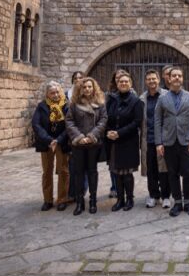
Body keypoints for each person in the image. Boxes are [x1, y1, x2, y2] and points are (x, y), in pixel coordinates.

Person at [154, 67, 189, 217]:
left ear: (182, 78)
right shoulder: (162, 98)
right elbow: (157, 121)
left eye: (179, 76)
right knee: (172, 173)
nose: (177, 78)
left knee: (187, 172)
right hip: (169, 141)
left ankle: (188, 202)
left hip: (186, 141)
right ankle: (178, 202)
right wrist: (159, 142)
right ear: (169, 78)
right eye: (174, 76)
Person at [66, 77, 108, 215]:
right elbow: (69, 121)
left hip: (93, 143)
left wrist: (91, 135)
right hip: (78, 144)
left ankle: (93, 201)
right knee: (78, 173)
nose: (87, 89)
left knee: (92, 172)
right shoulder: (74, 104)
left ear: (93, 88)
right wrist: (79, 137)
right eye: (84, 87)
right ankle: (80, 202)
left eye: (90, 86)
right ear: (80, 89)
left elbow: (103, 120)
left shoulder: (100, 103)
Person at [106, 72, 144, 211]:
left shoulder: (136, 101)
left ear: (130, 84)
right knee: (116, 172)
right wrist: (108, 131)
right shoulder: (112, 99)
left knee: (127, 173)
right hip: (114, 142)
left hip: (128, 141)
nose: (123, 83)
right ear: (117, 84)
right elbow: (106, 117)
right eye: (121, 81)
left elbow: (137, 122)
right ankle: (120, 199)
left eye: (126, 81)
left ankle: (130, 199)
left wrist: (119, 133)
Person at [32, 81, 70, 211]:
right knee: (47, 171)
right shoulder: (42, 106)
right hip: (47, 143)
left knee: (63, 171)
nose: (55, 95)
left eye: (57, 92)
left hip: (62, 142)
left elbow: (69, 125)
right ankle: (48, 200)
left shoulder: (67, 106)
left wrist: (58, 140)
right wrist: (49, 140)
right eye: (52, 93)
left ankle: (62, 199)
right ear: (47, 94)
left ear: (61, 92)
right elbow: (36, 124)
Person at [140, 70, 171, 209]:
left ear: (159, 79)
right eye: (149, 79)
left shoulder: (166, 95)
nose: (151, 81)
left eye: (154, 78)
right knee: (151, 169)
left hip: (164, 139)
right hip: (148, 139)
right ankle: (153, 195)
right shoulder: (142, 98)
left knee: (164, 169)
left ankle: (166, 196)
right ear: (146, 81)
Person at [66, 71, 87, 202]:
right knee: (72, 167)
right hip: (71, 136)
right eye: (75, 78)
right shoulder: (66, 95)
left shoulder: (90, 94)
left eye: (80, 77)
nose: (78, 80)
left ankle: (82, 191)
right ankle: (72, 192)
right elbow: (68, 118)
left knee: (86, 167)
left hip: (87, 136)